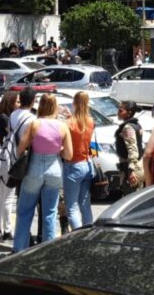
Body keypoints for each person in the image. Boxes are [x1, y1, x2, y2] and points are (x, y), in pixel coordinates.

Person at [13, 93, 73, 252]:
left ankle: (18, 250)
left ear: (40, 106)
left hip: (35, 168)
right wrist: (58, 149)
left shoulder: (35, 124)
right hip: (54, 168)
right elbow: (69, 155)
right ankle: (48, 252)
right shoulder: (63, 126)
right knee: (50, 213)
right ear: (55, 107)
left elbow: (20, 149)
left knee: (25, 211)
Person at [63, 92, 95, 231]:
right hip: (86, 164)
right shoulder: (90, 121)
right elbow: (80, 129)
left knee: (71, 207)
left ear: (74, 102)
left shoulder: (68, 123)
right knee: (85, 204)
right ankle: (88, 234)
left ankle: (77, 236)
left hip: (72, 165)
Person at [0, 91, 19, 241]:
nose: (19, 105)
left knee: (2, 195)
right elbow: (14, 132)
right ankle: (7, 230)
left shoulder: (4, 117)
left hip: (4, 159)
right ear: (10, 103)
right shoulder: (5, 118)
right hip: (8, 160)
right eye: (17, 102)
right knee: (8, 196)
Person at [114, 100, 144, 196]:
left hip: (131, 168)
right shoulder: (136, 125)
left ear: (129, 113)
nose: (118, 112)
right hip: (135, 165)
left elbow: (133, 150)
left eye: (121, 110)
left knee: (130, 197)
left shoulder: (128, 127)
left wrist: (131, 171)